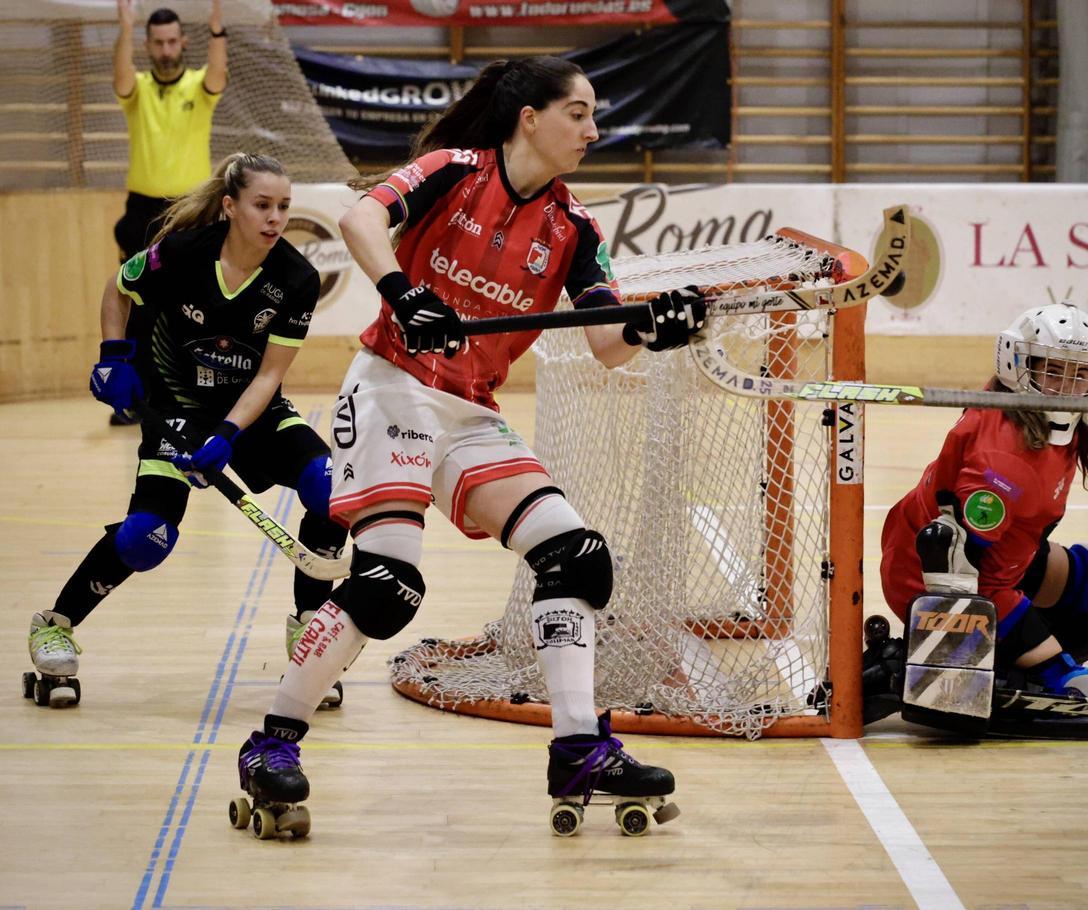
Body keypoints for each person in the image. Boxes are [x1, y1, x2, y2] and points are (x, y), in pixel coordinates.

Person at [232, 56, 704, 835]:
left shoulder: (575, 227)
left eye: (593, 116)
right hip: (392, 385)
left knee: (577, 558)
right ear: (531, 118)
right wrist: (403, 294)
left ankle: (578, 747)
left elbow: (607, 344)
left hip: (468, 409)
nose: (593, 129)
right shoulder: (454, 170)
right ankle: (271, 743)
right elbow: (359, 218)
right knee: (389, 586)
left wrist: (658, 328)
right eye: (579, 113)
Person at [24, 153, 347, 709]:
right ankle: (54, 624)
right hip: (172, 409)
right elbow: (116, 290)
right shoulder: (180, 253)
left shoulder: (296, 278)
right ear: (230, 206)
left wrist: (224, 435)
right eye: (262, 205)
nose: (275, 218)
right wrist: (113, 358)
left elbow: (270, 374)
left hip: (249, 411)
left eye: (284, 208)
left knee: (329, 486)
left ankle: (309, 625)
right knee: (145, 538)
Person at [877, 302, 1088, 707]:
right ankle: (1015, 648)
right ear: (1017, 366)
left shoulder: (1043, 399)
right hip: (933, 577)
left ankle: (1025, 634)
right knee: (1072, 688)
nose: (1068, 386)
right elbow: (969, 576)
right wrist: (1026, 660)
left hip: (1003, 551)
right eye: (1054, 370)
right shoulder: (1002, 465)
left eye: (1081, 373)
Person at [108, 1, 228, 427]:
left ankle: (198, 398)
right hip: (143, 210)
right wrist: (125, 28)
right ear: (148, 45)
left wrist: (218, 31)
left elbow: (218, 74)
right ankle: (135, 400)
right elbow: (120, 78)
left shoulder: (198, 86)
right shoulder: (137, 90)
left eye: (172, 41)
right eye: (157, 42)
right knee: (139, 306)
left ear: (183, 42)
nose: (165, 49)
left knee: (197, 306)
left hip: (192, 209)